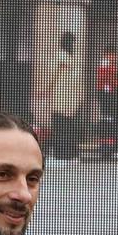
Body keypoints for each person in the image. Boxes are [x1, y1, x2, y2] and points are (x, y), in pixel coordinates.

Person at [47, 31, 84, 165]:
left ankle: (62, 154)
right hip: (67, 96)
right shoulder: (69, 58)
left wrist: (47, 89)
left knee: (62, 124)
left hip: (64, 95)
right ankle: (65, 153)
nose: (73, 45)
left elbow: (52, 76)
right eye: (72, 42)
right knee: (66, 125)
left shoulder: (63, 56)